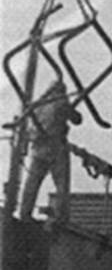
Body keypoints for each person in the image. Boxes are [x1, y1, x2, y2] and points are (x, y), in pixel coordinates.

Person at [19, 78, 82, 222]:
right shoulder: (60, 103)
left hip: (38, 148)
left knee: (32, 183)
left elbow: (29, 128)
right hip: (55, 148)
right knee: (61, 184)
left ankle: (25, 213)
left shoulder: (37, 106)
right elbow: (77, 119)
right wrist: (71, 108)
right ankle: (61, 217)